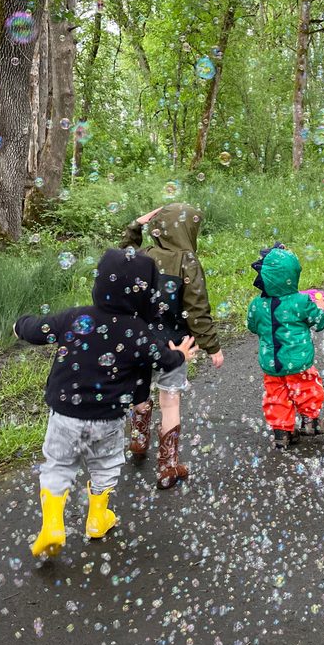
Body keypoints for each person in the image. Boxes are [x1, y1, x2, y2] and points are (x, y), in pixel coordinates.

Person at [14, 249, 198, 558]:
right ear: (146, 294)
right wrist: (181, 354)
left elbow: (38, 330)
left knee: (58, 465)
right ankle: (98, 518)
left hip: (65, 415)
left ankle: (52, 525)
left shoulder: (76, 317)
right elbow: (163, 360)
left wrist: (21, 324)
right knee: (105, 465)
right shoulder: (138, 332)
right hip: (108, 419)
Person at [121, 203, 224, 488]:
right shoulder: (187, 261)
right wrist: (211, 345)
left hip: (139, 341)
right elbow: (197, 308)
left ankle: (139, 442)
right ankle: (167, 466)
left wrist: (135, 226)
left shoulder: (143, 256)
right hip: (174, 346)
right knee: (170, 401)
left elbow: (122, 254)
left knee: (140, 393)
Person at [247, 243, 324, 449]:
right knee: (307, 388)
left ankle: (282, 432)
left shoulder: (256, 304)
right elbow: (319, 323)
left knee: (276, 394)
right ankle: (310, 421)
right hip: (298, 360)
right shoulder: (301, 301)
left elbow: (252, 327)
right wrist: (321, 308)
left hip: (271, 362)